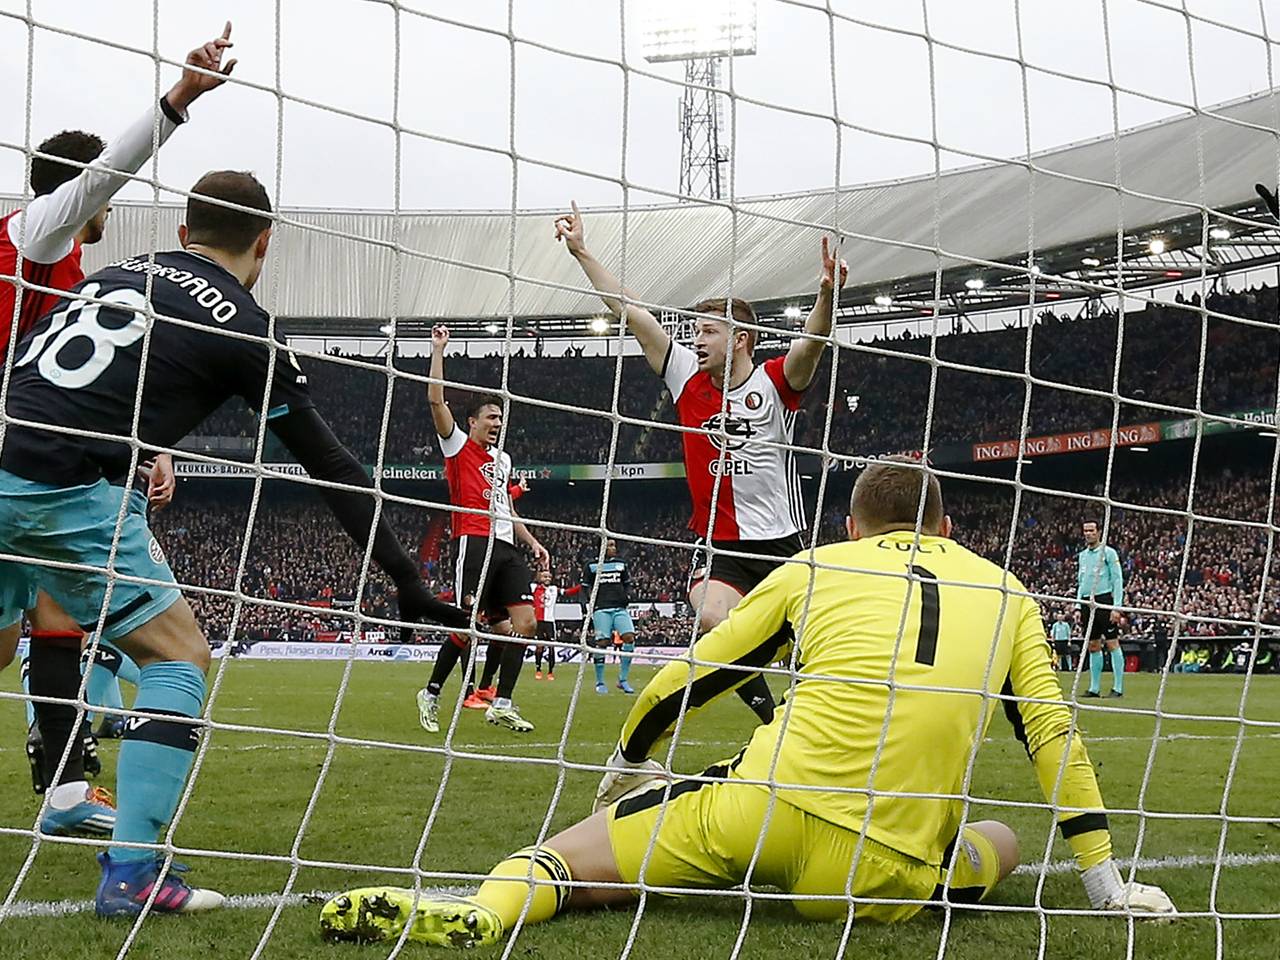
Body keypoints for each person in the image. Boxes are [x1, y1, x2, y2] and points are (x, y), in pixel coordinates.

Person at [320, 458, 1175, 947]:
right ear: (947, 530)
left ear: (851, 529)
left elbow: (690, 677)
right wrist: (1105, 883)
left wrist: (629, 759)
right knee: (1003, 839)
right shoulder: (1008, 591)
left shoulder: (817, 567)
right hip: (879, 872)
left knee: (561, 858)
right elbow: (1052, 734)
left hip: (762, 813)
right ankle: (966, 870)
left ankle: (482, 912)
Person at [0, 169, 467, 917]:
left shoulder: (119, 273)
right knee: (177, 658)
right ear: (265, 243)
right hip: (62, 482)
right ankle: (133, 873)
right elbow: (331, 464)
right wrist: (404, 575)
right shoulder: (245, 325)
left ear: (184, 233)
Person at [0, 22, 236, 840]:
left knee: (57, 619)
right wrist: (178, 99)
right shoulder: (35, 235)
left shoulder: (72, 275)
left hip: (33, 462)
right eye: (101, 193)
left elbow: (86, 386)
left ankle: (66, 790)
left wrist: (150, 447)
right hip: (15, 466)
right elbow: (104, 175)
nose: (111, 204)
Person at [551, 201, 847, 726]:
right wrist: (581, 252)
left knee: (812, 645)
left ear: (741, 338)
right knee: (713, 619)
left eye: (708, 331)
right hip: (718, 542)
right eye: (696, 331)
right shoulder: (685, 375)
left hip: (781, 542)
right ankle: (771, 718)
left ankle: (814, 713)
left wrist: (826, 295)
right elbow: (631, 310)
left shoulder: (775, 382)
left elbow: (813, 343)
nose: (696, 339)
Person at [414, 324, 549, 735]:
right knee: (467, 627)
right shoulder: (456, 445)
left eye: (501, 418)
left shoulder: (503, 460)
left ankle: (502, 703)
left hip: (505, 546)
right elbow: (435, 400)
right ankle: (431, 692)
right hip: (473, 542)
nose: (497, 423)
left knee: (525, 624)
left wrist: (533, 542)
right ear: (471, 421)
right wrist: (438, 350)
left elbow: (506, 507)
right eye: (491, 417)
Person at [1077, 520, 1125, 698]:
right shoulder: (1082, 555)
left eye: (1091, 530)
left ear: (1099, 532)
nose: (1088, 534)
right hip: (1086, 602)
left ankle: (1118, 688)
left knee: (1112, 643)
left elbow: (1117, 579)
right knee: (1093, 645)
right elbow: (1081, 582)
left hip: (1104, 600)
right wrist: (1077, 605)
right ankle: (1094, 688)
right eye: (1085, 530)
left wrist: (1116, 607)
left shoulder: (1109, 553)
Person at [581, 538, 635, 694]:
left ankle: (623, 680)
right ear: (602, 546)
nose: (614, 548)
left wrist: (627, 597)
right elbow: (584, 587)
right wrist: (586, 605)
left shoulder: (621, 564)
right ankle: (600, 682)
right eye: (610, 545)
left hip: (620, 608)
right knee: (602, 642)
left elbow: (627, 583)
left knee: (629, 637)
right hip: (601, 608)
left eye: (614, 545)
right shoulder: (591, 565)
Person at [531, 569, 559, 681]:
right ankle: (538, 670)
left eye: (549, 577)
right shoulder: (534, 588)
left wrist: (582, 585)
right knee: (539, 647)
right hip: (538, 621)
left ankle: (550, 672)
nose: (547, 579)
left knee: (551, 647)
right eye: (545, 576)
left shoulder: (553, 589)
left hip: (549, 622)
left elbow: (568, 592)